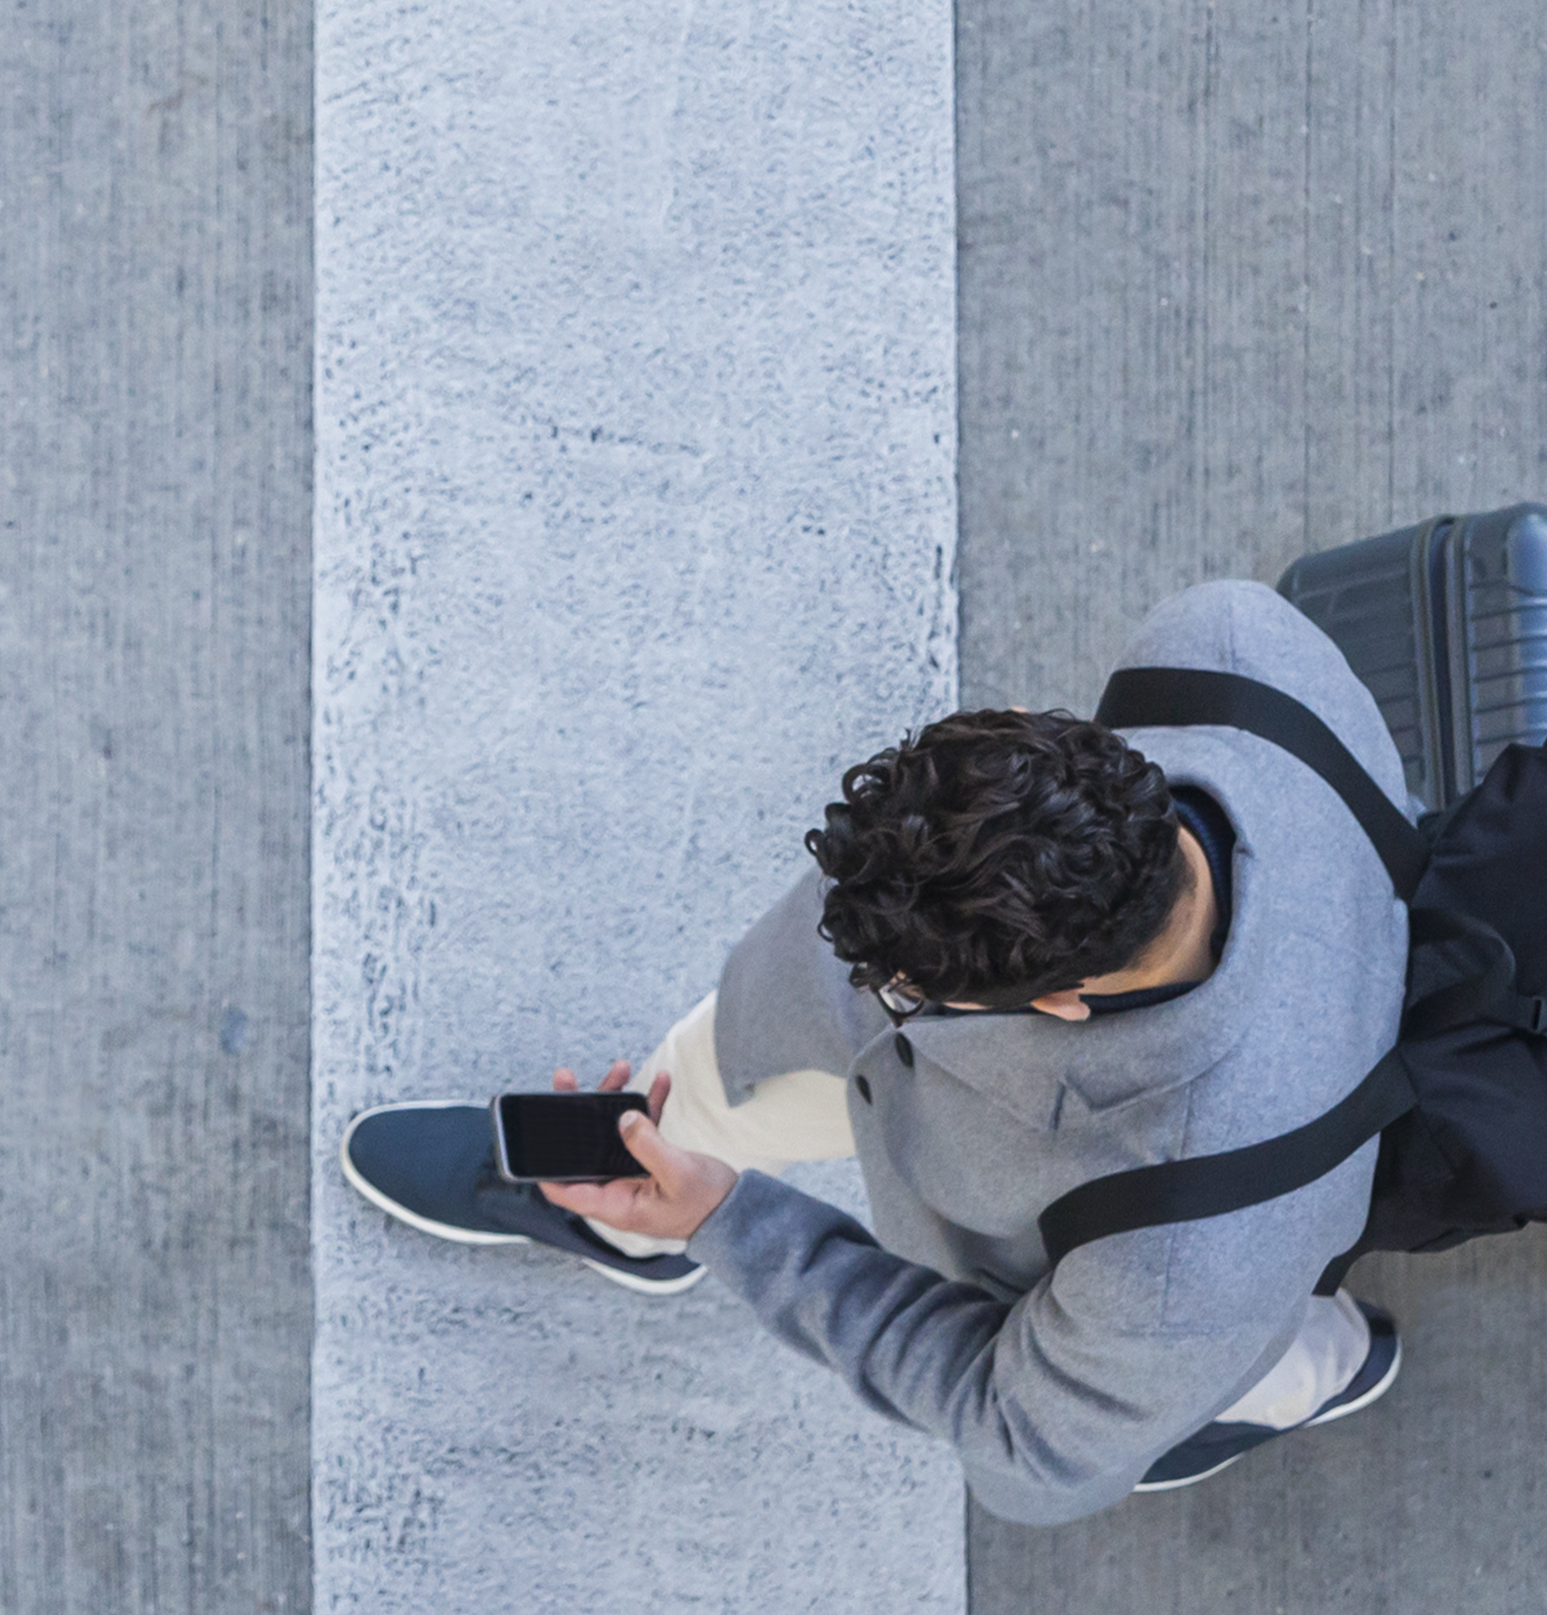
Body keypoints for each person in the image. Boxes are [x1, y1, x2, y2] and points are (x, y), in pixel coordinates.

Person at [341, 577, 1411, 1521]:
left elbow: (1023, 1452)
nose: (862, 985)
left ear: (1066, 1005)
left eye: (905, 990)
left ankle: (1295, 1376)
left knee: (1217, 1367)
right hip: (1277, 1126)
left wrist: (735, 1224)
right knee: (712, 1086)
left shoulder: (1178, 1269)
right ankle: (634, 1216)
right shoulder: (1221, 648)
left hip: (1206, 1250)